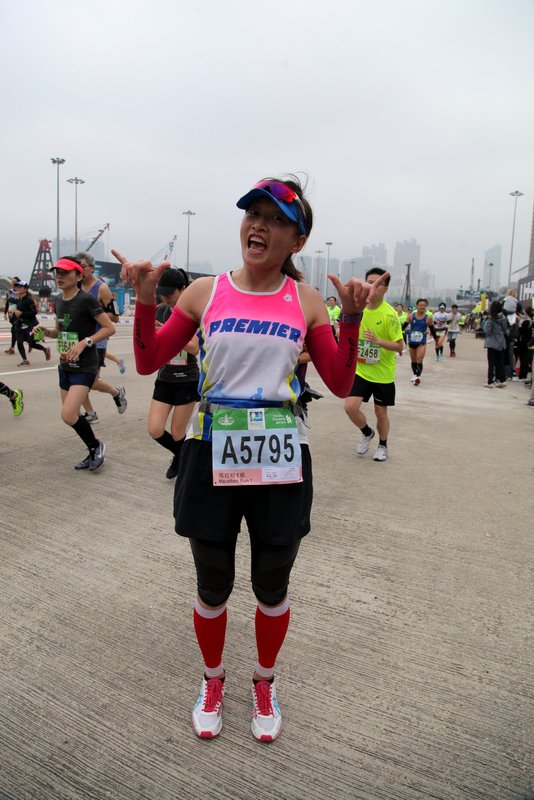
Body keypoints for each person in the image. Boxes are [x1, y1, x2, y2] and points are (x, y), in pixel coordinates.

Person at [114, 175, 387, 743]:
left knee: (271, 584)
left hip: (281, 455)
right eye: (253, 214)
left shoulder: (304, 301)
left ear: (298, 240)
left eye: (277, 219)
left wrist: (350, 318)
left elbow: (340, 384)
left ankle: (264, 681)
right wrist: (143, 300)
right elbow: (147, 360)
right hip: (211, 447)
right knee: (212, 583)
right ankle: (213, 679)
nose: (259, 225)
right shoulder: (205, 292)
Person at [34, 257, 116, 470]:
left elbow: (109, 328)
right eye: (57, 273)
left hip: (85, 366)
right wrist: (45, 331)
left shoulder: (87, 299)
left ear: (79, 276)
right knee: (71, 417)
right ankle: (93, 448)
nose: (59, 277)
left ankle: (96, 446)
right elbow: (59, 331)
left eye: (65, 272)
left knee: (68, 414)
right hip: (65, 365)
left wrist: (85, 342)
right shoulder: (58, 300)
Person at [344, 268, 403, 462]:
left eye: (378, 284)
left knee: (380, 413)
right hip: (361, 370)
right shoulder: (358, 308)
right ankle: (367, 432)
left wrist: (378, 341)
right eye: (369, 282)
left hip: (382, 373)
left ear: (385, 289)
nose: (373, 286)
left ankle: (383, 444)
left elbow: (399, 346)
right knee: (350, 407)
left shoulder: (390, 315)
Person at [148, 267, 200, 479]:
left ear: (183, 289)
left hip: (187, 378)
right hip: (165, 377)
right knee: (155, 429)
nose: (165, 298)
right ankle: (183, 457)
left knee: (178, 432)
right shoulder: (161, 311)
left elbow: (194, 348)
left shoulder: (193, 312)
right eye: (162, 293)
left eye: (170, 293)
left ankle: (184, 462)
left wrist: (166, 332)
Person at [77, 252, 127, 423]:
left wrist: (93, 315)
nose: (79, 270)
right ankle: (90, 413)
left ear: (92, 268)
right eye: (76, 267)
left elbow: (115, 316)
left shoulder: (102, 288)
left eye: (82, 266)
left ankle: (116, 393)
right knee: (77, 379)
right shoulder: (75, 286)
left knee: (90, 381)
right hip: (78, 340)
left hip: (97, 341)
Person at [12, 281, 51, 366]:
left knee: (32, 344)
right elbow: (17, 311)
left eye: (20, 287)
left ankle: (45, 349)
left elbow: (34, 312)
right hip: (20, 325)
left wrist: (22, 313)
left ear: (25, 289)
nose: (18, 288)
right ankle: (25, 360)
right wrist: (12, 313)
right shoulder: (18, 299)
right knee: (19, 342)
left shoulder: (29, 300)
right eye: (17, 287)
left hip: (30, 325)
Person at [405, 299, 433, 384]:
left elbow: (432, 329)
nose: (422, 307)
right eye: (420, 305)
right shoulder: (411, 316)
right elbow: (403, 327)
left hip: (421, 342)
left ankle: (417, 377)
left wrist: (436, 339)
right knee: (413, 360)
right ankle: (415, 374)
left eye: (424, 305)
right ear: (417, 306)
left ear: (426, 307)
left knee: (419, 359)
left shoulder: (428, 318)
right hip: (412, 341)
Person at [483, 300, 508, 388]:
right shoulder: (503, 318)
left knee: (491, 363)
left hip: (491, 343)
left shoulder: (491, 319)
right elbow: (505, 330)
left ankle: (490, 382)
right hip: (500, 342)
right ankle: (502, 380)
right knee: (500, 362)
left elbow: (487, 332)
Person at [3, 277, 20, 354]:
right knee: (17, 330)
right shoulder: (9, 291)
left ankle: (12, 348)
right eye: (12, 281)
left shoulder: (20, 291)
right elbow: (7, 303)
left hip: (18, 313)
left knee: (14, 330)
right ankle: (31, 342)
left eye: (14, 281)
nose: (12, 283)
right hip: (11, 314)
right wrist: (5, 313)